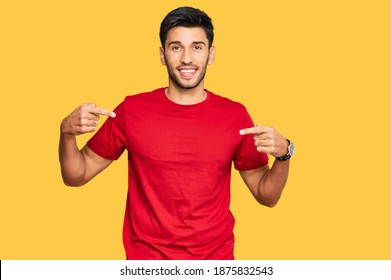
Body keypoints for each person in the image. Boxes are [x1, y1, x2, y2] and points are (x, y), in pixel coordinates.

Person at [59, 6, 294, 260]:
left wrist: (285, 153)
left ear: (211, 54)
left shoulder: (235, 115)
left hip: (215, 263)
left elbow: (266, 195)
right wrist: (66, 133)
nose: (186, 59)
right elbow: (76, 175)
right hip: (145, 265)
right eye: (176, 47)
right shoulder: (131, 110)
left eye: (197, 47)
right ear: (162, 55)